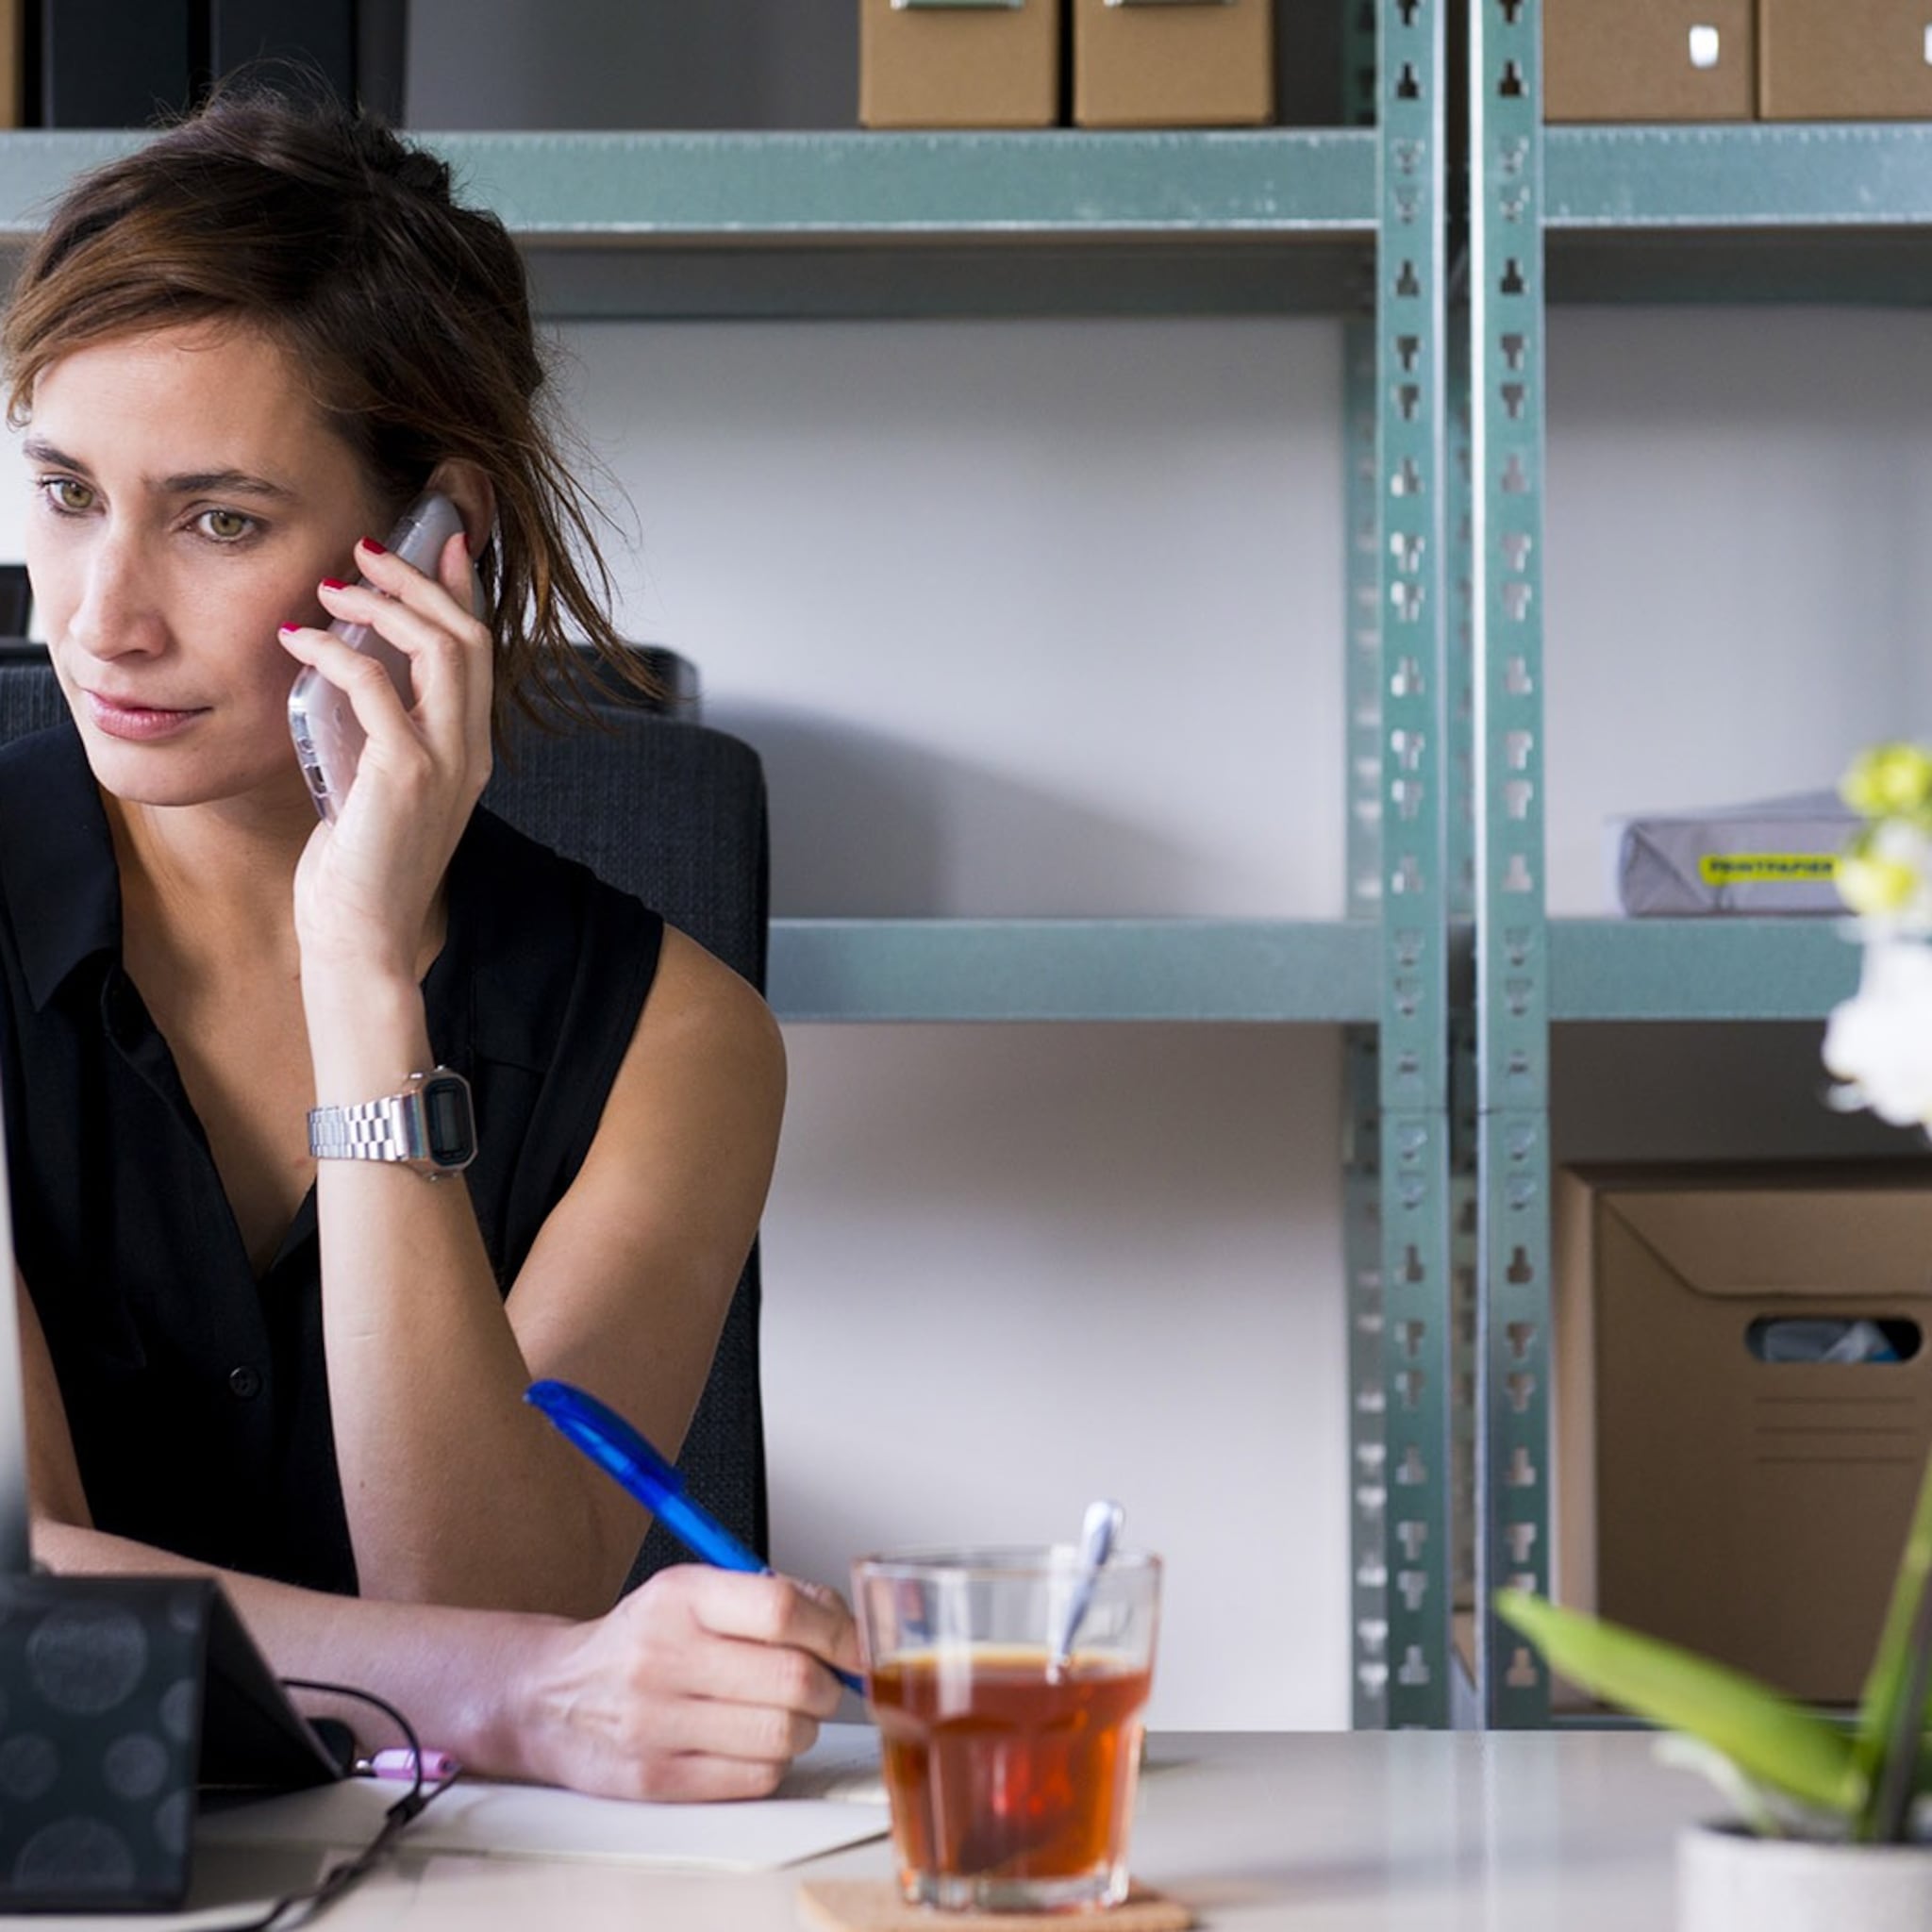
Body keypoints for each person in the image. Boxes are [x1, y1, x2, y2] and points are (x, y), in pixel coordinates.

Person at [0, 81, 860, 1802]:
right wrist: (523, 1689)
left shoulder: (679, 1042)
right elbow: (22, 1612)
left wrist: (362, 970)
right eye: (68, 492)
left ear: (426, 545)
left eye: (219, 519)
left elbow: (473, 1598)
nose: (101, 613)